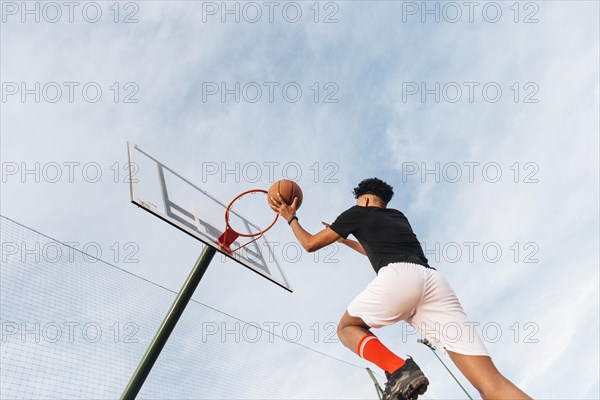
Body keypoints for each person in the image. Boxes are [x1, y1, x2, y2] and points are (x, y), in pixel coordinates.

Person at [269, 178, 532, 400]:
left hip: (399, 278)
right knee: (490, 384)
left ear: (366, 200)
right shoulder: (398, 217)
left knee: (347, 328)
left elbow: (310, 244)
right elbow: (374, 249)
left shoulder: (355, 212)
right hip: (433, 282)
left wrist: (291, 218)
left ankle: (399, 370)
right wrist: (344, 239)